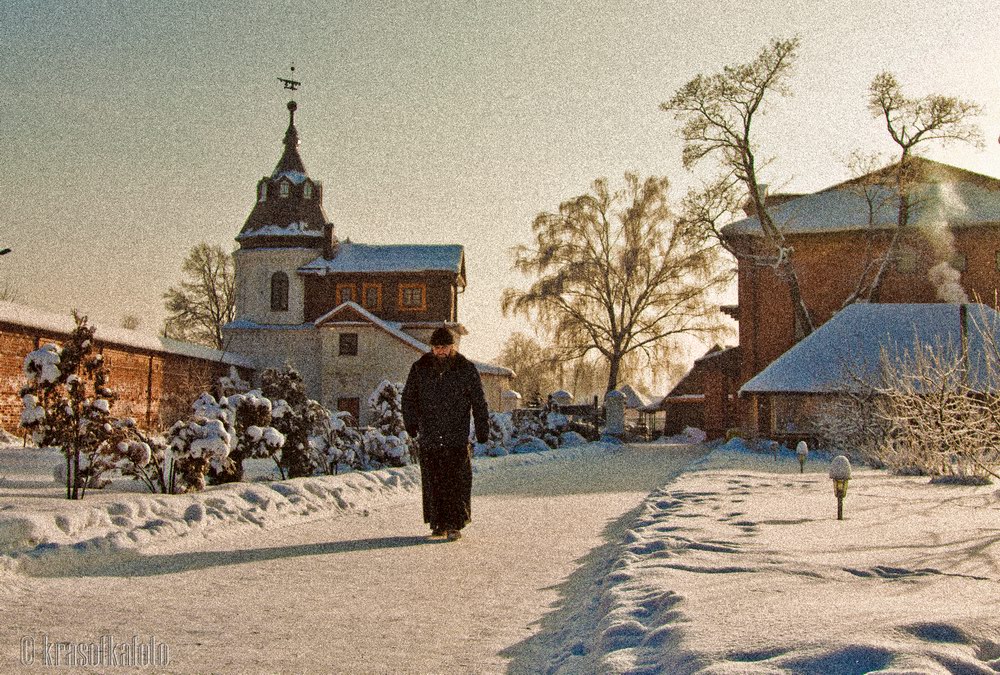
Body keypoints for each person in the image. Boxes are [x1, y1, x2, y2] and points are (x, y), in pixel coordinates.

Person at [402, 326, 489, 541]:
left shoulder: (465, 369)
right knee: (433, 480)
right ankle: (437, 522)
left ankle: (454, 524)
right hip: (430, 434)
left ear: (452, 347)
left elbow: (478, 401)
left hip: (456, 435)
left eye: (444, 347)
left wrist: (482, 428)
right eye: (436, 347)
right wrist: (411, 423)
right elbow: (408, 399)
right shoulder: (420, 368)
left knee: (456, 481)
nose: (440, 351)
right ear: (432, 348)